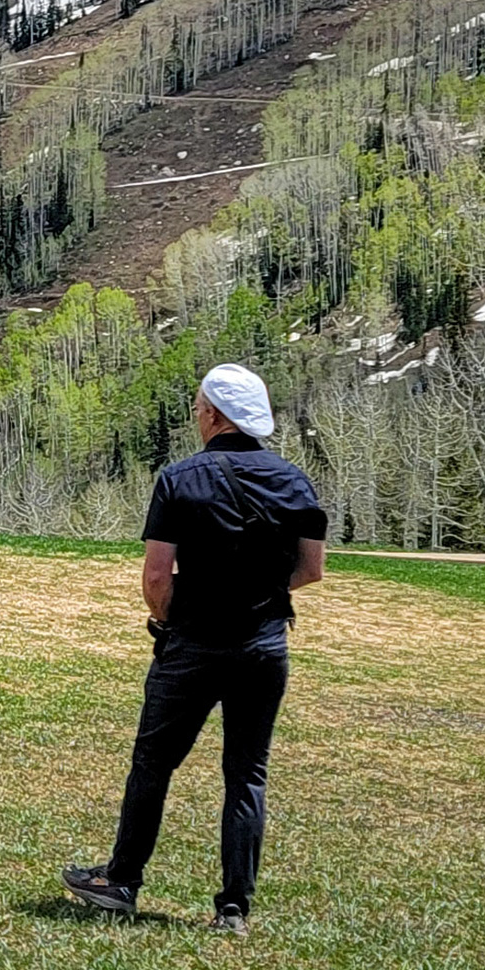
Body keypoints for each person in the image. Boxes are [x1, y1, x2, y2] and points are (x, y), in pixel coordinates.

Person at [65, 363, 328, 935]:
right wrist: (252, 592)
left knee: (154, 764)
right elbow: (310, 570)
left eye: (199, 405)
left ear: (213, 414)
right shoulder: (295, 481)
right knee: (246, 774)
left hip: (193, 644)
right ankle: (233, 907)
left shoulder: (180, 479)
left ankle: (122, 881)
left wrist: (177, 614)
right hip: (263, 646)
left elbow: (157, 579)